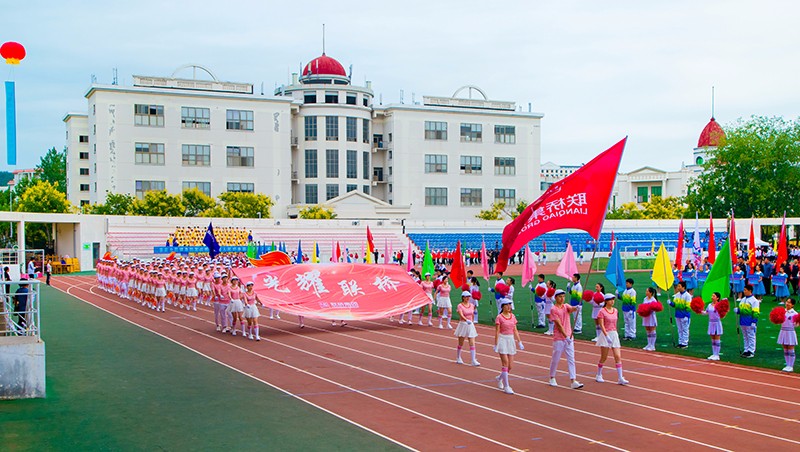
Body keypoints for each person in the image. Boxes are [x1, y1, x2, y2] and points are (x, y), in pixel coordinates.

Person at [548, 289, 583, 389]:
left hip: (569, 336)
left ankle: (573, 380)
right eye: (560, 297)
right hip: (559, 338)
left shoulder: (566, 306)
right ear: (556, 298)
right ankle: (552, 377)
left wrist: (577, 307)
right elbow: (558, 325)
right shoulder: (553, 309)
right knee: (556, 358)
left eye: (563, 296)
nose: (562, 298)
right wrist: (566, 336)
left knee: (571, 359)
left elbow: (571, 309)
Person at [595, 293, 628, 385]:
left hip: (614, 334)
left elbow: (615, 323)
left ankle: (620, 377)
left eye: (613, 299)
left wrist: (615, 334)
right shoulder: (602, 311)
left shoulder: (615, 310)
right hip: (606, 334)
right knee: (604, 357)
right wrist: (606, 335)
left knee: (617, 356)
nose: (612, 301)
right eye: (610, 300)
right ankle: (599, 374)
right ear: (606, 301)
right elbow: (601, 325)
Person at [493, 298, 523, 394]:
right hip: (502, 340)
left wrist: (519, 342)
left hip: (510, 340)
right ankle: (506, 386)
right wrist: (496, 343)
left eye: (510, 305)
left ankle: (500, 378)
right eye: (507, 305)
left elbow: (515, 330)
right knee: (505, 363)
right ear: (502, 306)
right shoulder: (499, 317)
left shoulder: (513, 316)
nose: (509, 307)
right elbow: (497, 331)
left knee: (510, 366)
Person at [454, 291, 480, 366]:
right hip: (463, 324)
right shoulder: (460, 306)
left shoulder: (471, 305)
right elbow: (461, 314)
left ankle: (473, 360)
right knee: (461, 342)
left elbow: (472, 313)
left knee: (472, 342)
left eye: (469, 296)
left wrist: (471, 321)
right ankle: (458, 357)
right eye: (466, 296)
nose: (468, 298)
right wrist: (466, 320)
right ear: (463, 297)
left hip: (470, 324)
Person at [736, 284, 760, 358]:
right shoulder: (743, 299)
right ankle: (746, 349)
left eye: (745, 290)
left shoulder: (754, 301)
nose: (744, 291)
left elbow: (756, 312)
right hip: (742, 320)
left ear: (750, 291)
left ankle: (751, 351)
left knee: (751, 336)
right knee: (745, 336)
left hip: (750, 321)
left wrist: (754, 321)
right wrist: (738, 310)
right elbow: (741, 310)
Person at [700, 292, 724, 360]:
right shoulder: (709, 305)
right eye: (712, 296)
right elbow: (706, 312)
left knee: (717, 338)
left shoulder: (719, 305)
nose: (712, 297)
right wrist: (701, 311)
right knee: (713, 339)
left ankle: (717, 355)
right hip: (711, 323)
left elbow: (722, 314)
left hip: (717, 323)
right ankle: (714, 354)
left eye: (714, 296)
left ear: (717, 298)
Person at [669, 281, 692, 348]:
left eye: (679, 286)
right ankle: (680, 342)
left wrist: (686, 315)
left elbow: (688, 306)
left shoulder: (688, 296)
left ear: (683, 287)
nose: (678, 287)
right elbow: (675, 305)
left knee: (685, 329)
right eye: (678, 286)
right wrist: (670, 303)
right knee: (680, 329)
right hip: (678, 315)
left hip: (684, 315)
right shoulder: (677, 295)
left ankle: (685, 343)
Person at [778, 298, 797, 372]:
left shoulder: (794, 313)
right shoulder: (782, 312)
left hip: (790, 332)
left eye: (789, 302)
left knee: (791, 348)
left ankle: (791, 366)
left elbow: (796, 324)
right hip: (783, 330)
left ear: (792, 305)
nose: (787, 303)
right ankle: (787, 364)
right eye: (787, 302)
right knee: (785, 348)